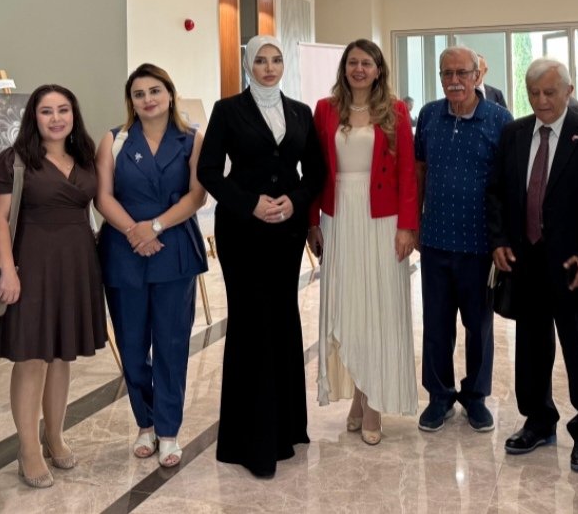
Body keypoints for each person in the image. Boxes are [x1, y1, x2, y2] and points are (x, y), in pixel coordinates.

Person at [197, 35, 325, 478]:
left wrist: (295, 201)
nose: (269, 68)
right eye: (260, 61)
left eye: (276, 60)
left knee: (284, 318)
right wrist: (249, 203)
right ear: (248, 66)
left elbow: (317, 172)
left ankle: (287, 428)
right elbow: (208, 171)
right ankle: (250, 442)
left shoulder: (300, 112)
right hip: (243, 230)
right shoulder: (227, 110)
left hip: (286, 230)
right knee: (251, 324)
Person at [487, 57, 578, 471]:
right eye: (534, 93)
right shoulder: (514, 133)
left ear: (568, 91)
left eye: (550, 92)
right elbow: (497, 193)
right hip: (526, 263)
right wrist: (499, 241)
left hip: (576, 266)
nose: (541, 100)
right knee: (531, 349)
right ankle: (538, 421)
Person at [0, 84, 107, 488]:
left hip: (77, 264)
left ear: (74, 115)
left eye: (63, 110)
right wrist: (8, 270)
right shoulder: (13, 160)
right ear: (33, 117)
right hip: (31, 265)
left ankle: (55, 436)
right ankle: (28, 448)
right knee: (32, 357)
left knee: (61, 355)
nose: (56, 118)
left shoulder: (85, 156)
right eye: (46, 111)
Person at [95, 64, 208, 468]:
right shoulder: (114, 140)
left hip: (174, 248)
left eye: (155, 90)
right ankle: (145, 422)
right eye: (139, 93)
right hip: (124, 249)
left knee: (172, 344)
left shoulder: (192, 139)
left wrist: (155, 227)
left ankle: (168, 429)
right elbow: (102, 196)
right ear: (131, 101)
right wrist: (134, 231)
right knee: (131, 344)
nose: (148, 99)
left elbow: (197, 195)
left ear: (170, 94)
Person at [309, 39, 419, 446]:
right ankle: (358, 395)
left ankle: (373, 403)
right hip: (339, 216)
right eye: (353, 62)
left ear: (378, 70)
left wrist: (407, 227)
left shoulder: (396, 110)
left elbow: (407, 172)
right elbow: (315, 170)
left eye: (366, 63)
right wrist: (312, 222)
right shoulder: (325, 109)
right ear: (344, 68)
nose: (359, 69)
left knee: (379, 309)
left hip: (382, 219)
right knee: (349, 306)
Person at [414, 46, 513, 433]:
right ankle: (439, 396)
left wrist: (503, 238)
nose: (454, 81)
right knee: (436, 324)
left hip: (479, 244)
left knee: (479, 326)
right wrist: (416, 222)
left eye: (462, 73)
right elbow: (420, 170)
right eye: (447, 73)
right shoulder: (428, 115)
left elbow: (507, 184)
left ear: (477, 76)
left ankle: (475, 397)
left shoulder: (499, 119)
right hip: (436, 240)